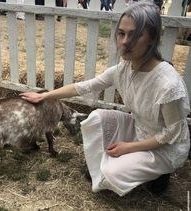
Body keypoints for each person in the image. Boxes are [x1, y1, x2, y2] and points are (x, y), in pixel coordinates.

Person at [20, 1, 190, 196]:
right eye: (121, 33)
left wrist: (129, 147)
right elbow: (84, 86)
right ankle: (121, 165)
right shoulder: (123, 69)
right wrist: (44, 96)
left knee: (110, 173)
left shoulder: (168, 84)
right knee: (96, 117)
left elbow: (171, 133)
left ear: (152, 38)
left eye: (134, 34)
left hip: (165, 147)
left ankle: (160, 173)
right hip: (140, 128)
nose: (125, 42)